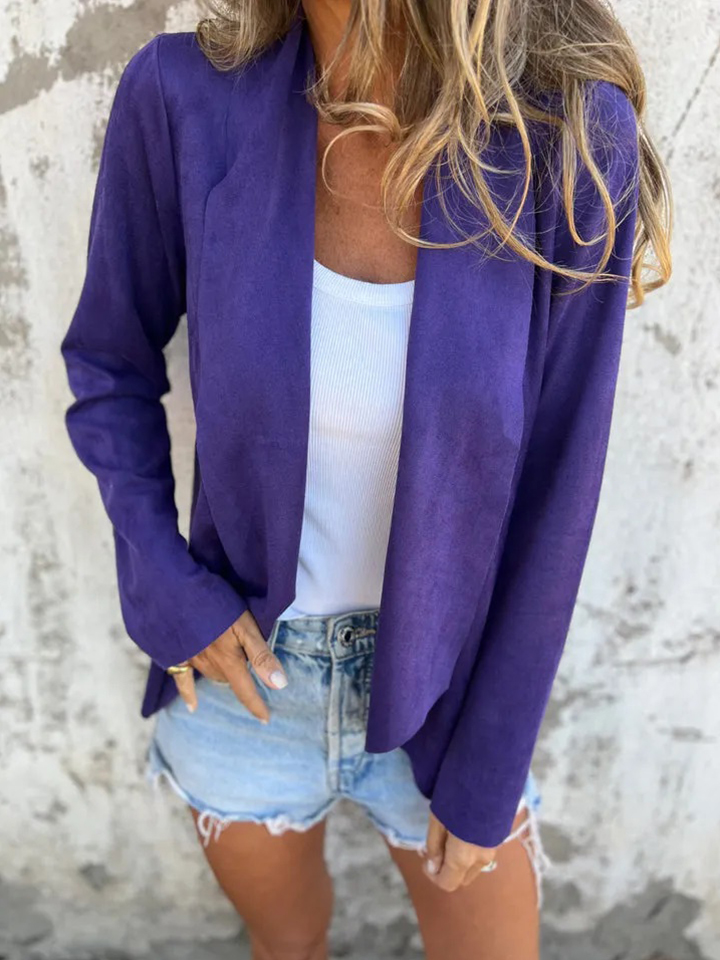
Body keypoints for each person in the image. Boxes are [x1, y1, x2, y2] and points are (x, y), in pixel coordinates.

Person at [60, 0, 671, 957]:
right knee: (288, 945)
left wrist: (492, 764)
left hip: (449, 690)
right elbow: (109, 364)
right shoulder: (182, 96)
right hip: (248, 680)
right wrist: (166, 588)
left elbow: (562, 485)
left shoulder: (568, 134)